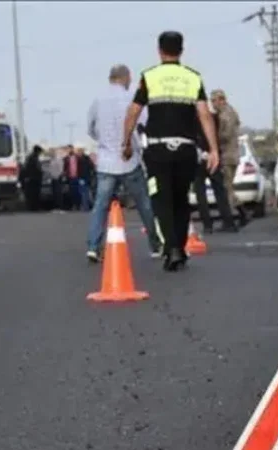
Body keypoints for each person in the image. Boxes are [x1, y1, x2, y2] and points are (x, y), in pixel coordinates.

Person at [123, 30, 219, 271]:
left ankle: (172, 248)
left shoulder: (149, 77)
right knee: (181, 199)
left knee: (161, 199)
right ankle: (180, 246)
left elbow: (133, 112)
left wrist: (125, 142)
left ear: (159, 50)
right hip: (186, 148)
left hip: (158, 149)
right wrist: (214, 149)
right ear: (181, 51)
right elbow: (204, 114)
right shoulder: (193, 78)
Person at [84, 63, 163, 262]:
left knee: (100, 206)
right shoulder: (132, 98)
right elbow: (145, 123)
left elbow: (91, 129)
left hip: (106, 161)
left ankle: (94, 246)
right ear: (125, 78)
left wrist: (103, 142)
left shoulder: (97, 100)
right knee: (144, 204)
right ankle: (155, 244)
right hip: (130, 161)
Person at [192, 107, 236, 235]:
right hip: (213, 156)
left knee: (201, 193)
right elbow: (219, 135)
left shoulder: (190, 119)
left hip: (198, 158)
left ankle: (207, 224)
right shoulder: (214, 117)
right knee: (220, 191)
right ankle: (228, 222)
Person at [211, 89, 248, 231]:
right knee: (228, 187)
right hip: (230, 154)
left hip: (228, 155)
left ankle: (239, 214)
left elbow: (225, 135)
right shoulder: (228, 113)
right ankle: (239, 214)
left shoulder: (226, 115)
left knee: (226, 189)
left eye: (214, 101)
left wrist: (213, 139)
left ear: (222, 100)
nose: (213, 104)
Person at [20, 144, 44, 211]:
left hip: (31, 179)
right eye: (40, 152)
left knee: (32, 194)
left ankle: (32, 207)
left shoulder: (30, 157)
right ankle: (34, 208)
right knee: (34, 194)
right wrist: (41, 172)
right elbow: (37, 168)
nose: (40, 154)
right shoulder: (33, 158)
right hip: (33, 179)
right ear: (37, 151)